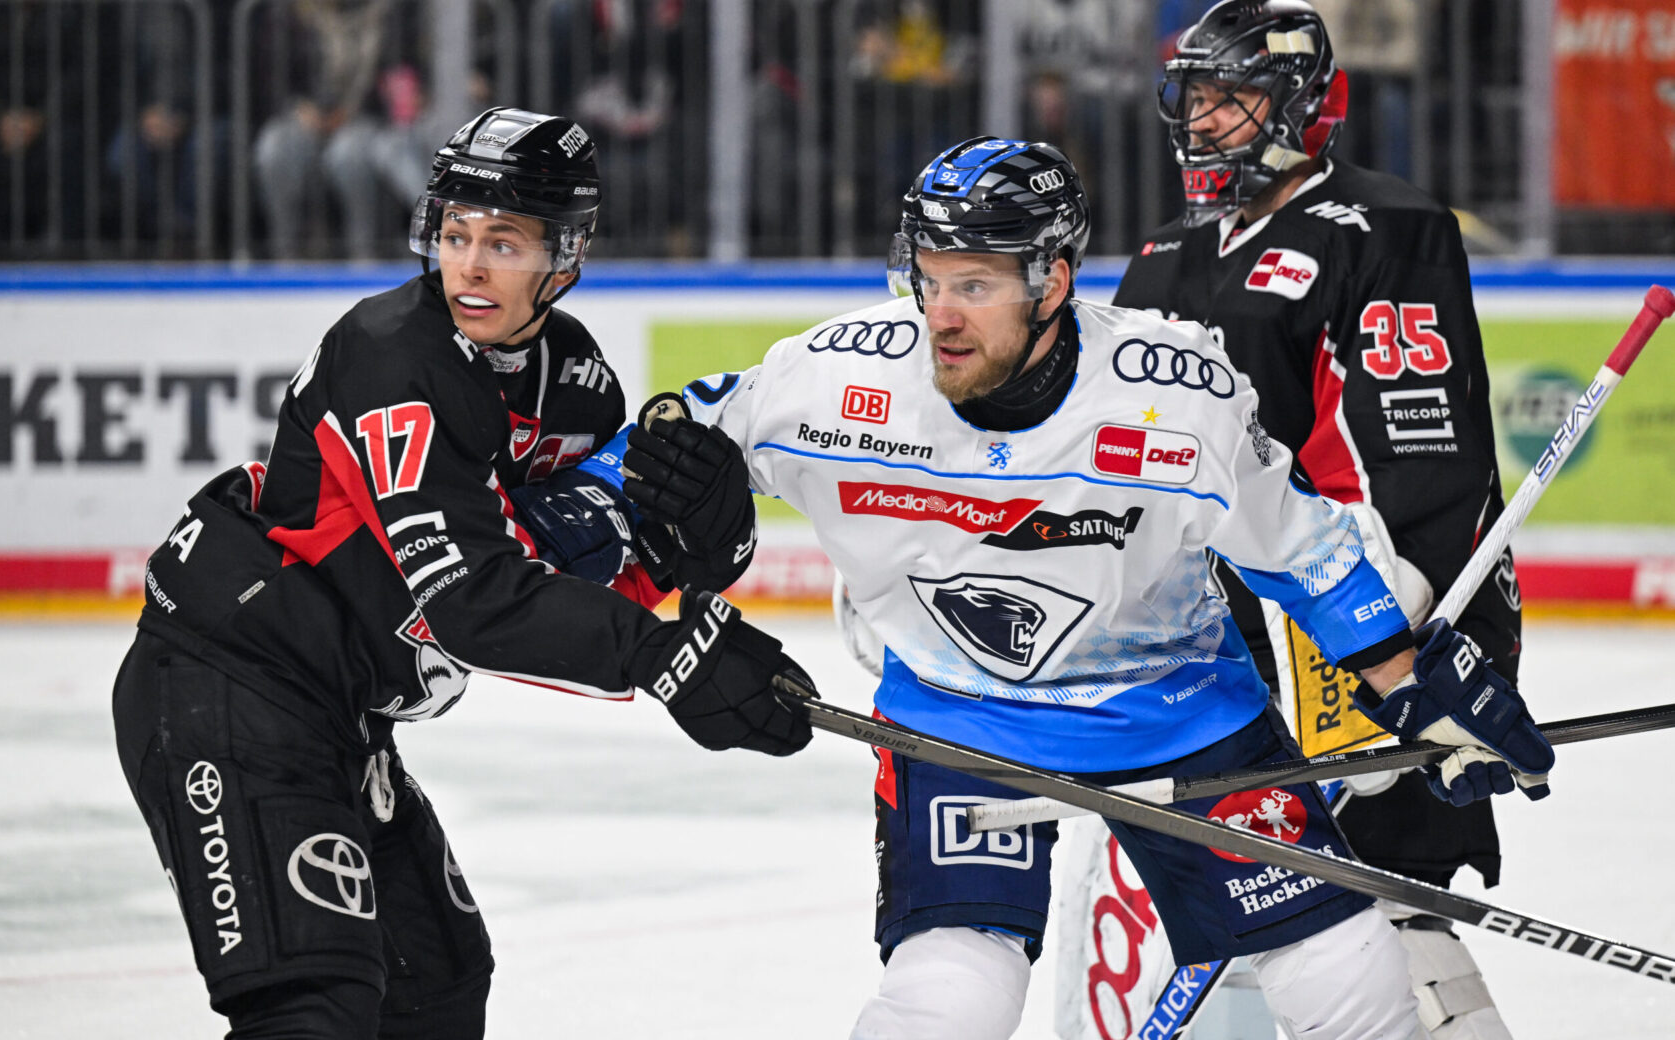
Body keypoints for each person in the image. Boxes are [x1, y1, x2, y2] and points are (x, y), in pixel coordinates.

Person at [617, 135, 1553, 1040]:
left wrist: (1407, 683)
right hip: (959, 719)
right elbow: (666, 444)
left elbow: (1299, 546)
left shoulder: (1174, 394)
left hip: (1179, 711)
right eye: (927, 279)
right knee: (951, 998)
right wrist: (616, 531)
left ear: (1052, 282)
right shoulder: (838, 375)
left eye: (973, 286)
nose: (939, 315)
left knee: (1348, 975)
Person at [110, 107, 810, 1039]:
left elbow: (580, 573)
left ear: (565, 256)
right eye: (455, 233)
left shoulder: (577, 383)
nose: (470, 265)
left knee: (434, 991)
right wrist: (666, 657)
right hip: (228, 683)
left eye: (504, 242)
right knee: (309, 1005)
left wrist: (701, 551)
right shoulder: (391, 354)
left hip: (342, 714)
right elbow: (473, 602)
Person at [1112, 3, 1523, 1035]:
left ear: (1303, 105)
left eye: (1232, 97)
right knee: (1250, 911)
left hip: (1368, 619)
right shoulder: (1162, 254)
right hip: (1225, 647)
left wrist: (1382, 647)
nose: (1204, 120)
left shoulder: (1385, 227)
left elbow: (1426, 460)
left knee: (1379, 900)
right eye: (1194, 97)